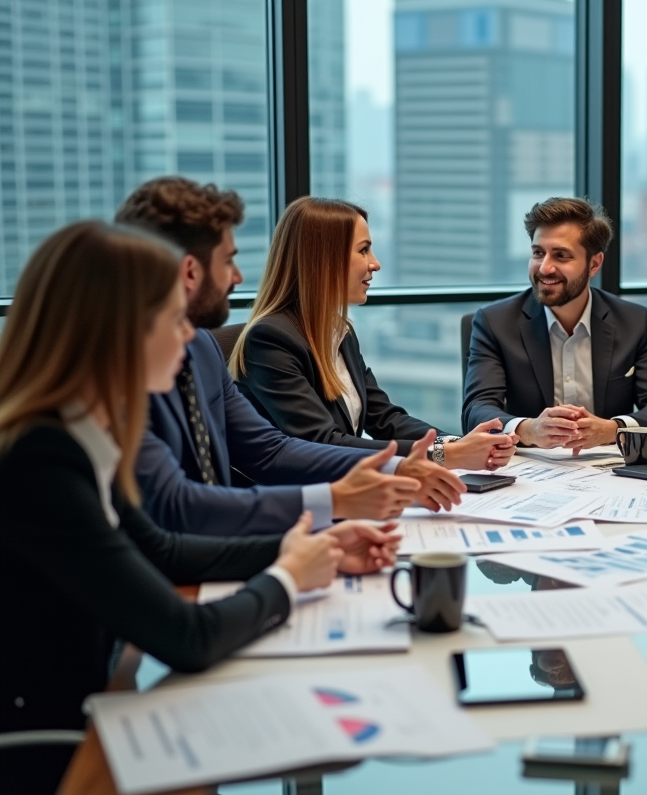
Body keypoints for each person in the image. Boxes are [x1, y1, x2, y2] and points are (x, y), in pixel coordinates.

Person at [0, 222, 402, 795]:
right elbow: (188, 638)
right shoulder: (42, 462)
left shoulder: (82, 434)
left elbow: (161, 550)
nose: (191, 336)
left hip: (107, 692)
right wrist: (289, 577)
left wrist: (324, 551)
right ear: (118, 334)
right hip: (52, 743)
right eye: (174, 319)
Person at [115, 178, 463, 538]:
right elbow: (180, 508)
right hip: (218, 543)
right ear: (189, 270)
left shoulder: (203, 348)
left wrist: (416, 460)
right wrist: (430, 458)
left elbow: (271, 449)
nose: (238, 276)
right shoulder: (265, 339)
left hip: (234, 539)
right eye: (229, 260)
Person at [230, 197, 518, 470]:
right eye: (363, 250)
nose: (375, 263)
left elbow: (384, 418)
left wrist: (456, 442)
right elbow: (323, 442)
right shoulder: (271, 339)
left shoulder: (338, 332)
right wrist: (443, 456)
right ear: (323, 259)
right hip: (301, 504)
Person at [462, 197, 647, 450]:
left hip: (609, 473)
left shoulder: (633, 321)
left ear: (594, 264)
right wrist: (529, 429)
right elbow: (476, 410)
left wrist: (611, 429)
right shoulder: (495, 323)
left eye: (561, 256)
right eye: (538, 253)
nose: (545, 268)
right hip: (527, 473)